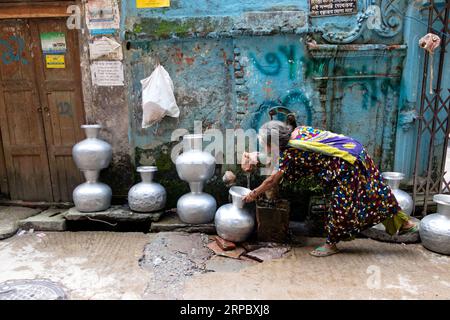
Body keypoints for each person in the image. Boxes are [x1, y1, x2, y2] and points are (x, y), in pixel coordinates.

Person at [242, 120, 418, 257]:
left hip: (347, 166)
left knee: (340, 206)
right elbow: (275, 159)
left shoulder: (290, 152)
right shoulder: (299, 131)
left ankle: (331, 244)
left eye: (266, 143)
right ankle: (405, 223)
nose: (266, 147)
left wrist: (254, 193)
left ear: (275, 142)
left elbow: (272, 180)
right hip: (356, 152)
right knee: (377, 191)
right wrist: (255, 157)